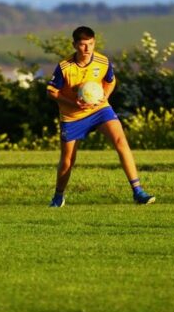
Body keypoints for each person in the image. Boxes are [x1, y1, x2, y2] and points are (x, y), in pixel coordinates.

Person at [46, 25, 154, 207]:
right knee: (67, 161)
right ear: (74, 45)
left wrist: (105, 96)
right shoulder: (65, 67)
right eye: (83, 45)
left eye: (91, 44)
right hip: (73, 116)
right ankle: (58, 197)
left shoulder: (103, 62)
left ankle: (138, 192)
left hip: (99, 109)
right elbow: (51, 92)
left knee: (121, 141)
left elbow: (110, 81)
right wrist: (74, 103)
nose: (87, 49)